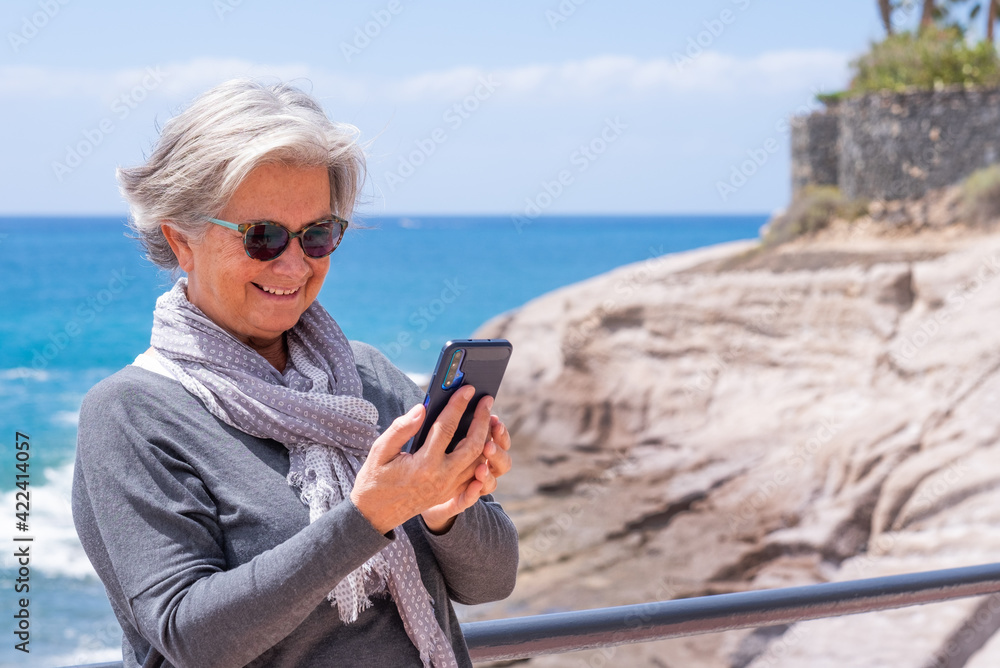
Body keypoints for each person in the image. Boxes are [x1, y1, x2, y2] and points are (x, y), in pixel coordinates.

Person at [71, 78, 518, 668]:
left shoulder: (367, 377)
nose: (293, 263)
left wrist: (442, 505)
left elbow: (492, 582)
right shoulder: (129, 414)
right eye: (262, 237)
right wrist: (368, 517)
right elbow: (190, 637)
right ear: (183, 241)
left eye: (317, 236)